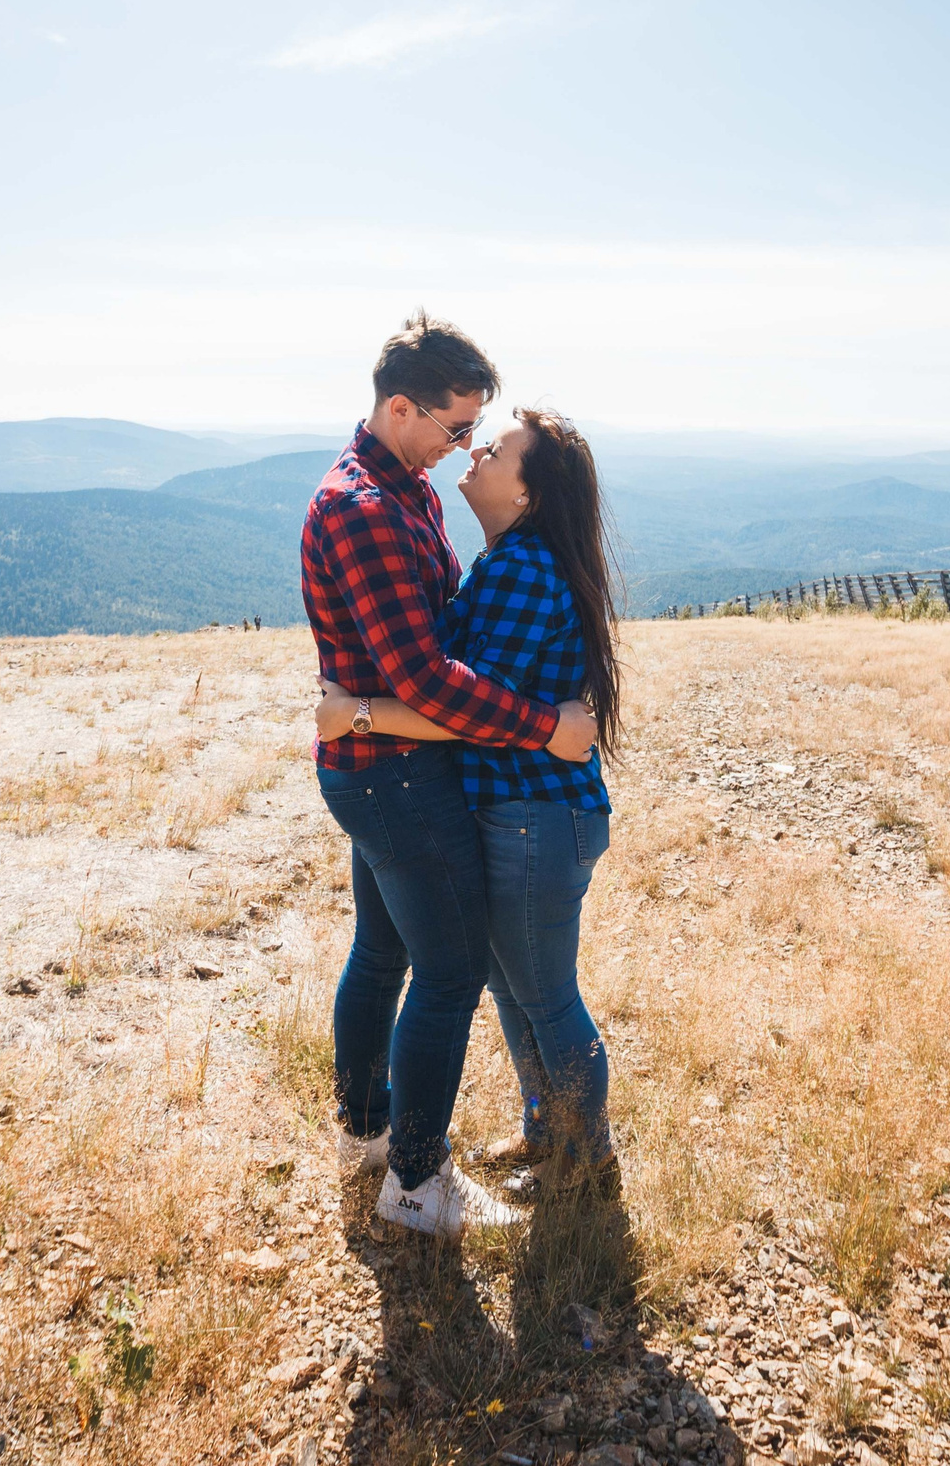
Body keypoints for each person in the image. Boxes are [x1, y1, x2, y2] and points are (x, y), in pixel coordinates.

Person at [302, 314, 600, 1240]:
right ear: (402, 408)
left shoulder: (409, 488)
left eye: (479, 431)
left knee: (383, 953)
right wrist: (547, 727)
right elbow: (429, 678)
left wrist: (355, 709)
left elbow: (445, 644)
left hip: (389, 763)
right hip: (395, 777)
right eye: (456, 426)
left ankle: (368, 1133)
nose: (464, 444)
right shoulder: (367, 509)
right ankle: (416, 1181)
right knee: (451, 970)